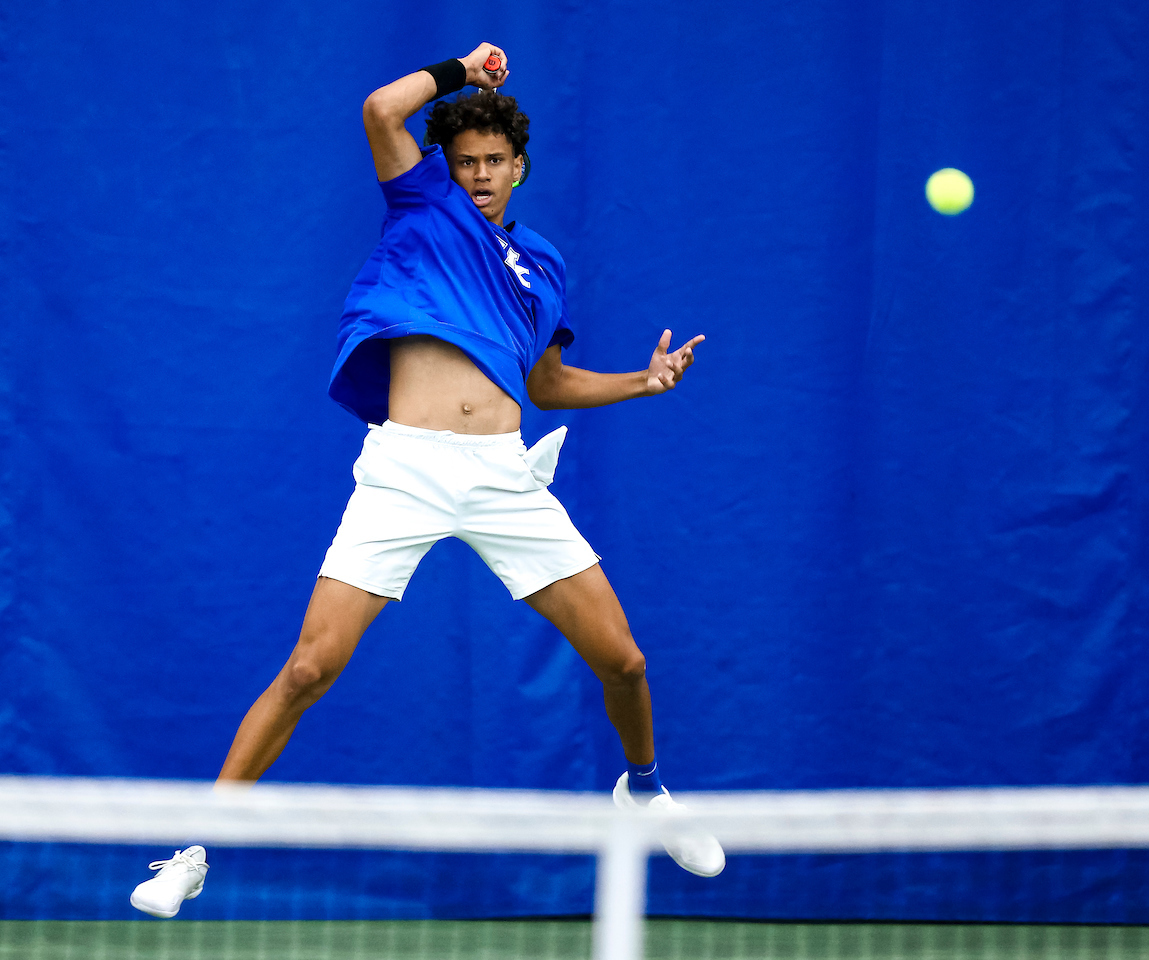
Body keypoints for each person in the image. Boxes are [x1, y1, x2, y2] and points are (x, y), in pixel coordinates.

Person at [130, 42, 722, 920]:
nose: (480, 174)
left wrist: (643, 381)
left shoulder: (544, 266)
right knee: (308, 667)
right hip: (406, 469)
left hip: (502, 476)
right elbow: (379, 111)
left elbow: (548, 382)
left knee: (624, 661)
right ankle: (194, 850)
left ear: (519, 168)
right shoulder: (422, 205)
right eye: (466, 161)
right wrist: (460, 71)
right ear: (446, 165)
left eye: (494, 162)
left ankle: (644, 788)